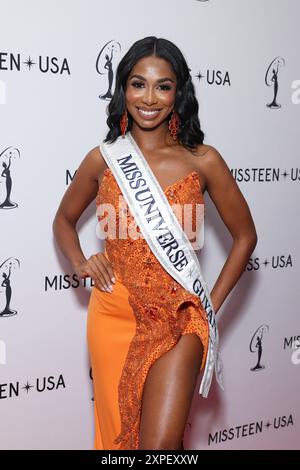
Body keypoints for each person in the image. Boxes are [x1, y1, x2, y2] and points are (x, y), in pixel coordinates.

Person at [52, 36, 257, 450]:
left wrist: (208, 308)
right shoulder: (103, 158)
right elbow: (63, 220)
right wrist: (80, 261)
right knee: (119, 440)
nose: (149, 97)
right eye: (137, 83)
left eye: (163, 86)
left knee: (160, 445)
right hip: (114, 314)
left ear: (178, 91)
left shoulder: (204, 160)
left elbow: (245, 237)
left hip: (180, 318)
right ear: (123, 89)